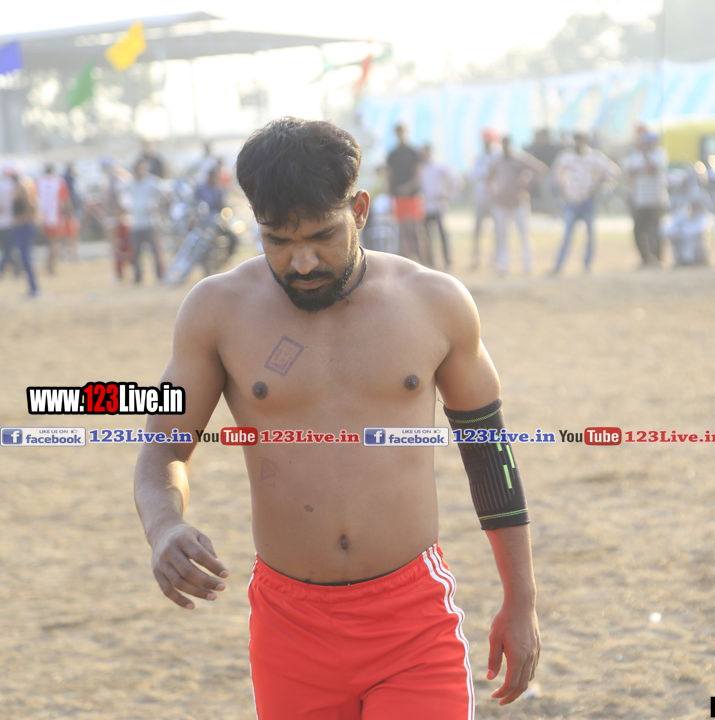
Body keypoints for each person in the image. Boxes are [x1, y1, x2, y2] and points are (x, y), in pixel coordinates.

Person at [133, 117, 539, 718]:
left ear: (361, 210)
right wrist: (165, 525)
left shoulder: (435, 302)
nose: (301, 262)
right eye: (276, 240)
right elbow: (162, 449)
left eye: (323, 235)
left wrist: (521, 601)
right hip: (289, 623)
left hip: (412, 617)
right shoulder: (216, 311)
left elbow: (489, 455)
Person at [550, 132, 620, 275]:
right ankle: (559, 265)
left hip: (588, 199)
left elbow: (613, 170)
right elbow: (556, 175)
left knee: (589, 235)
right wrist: (564, 189)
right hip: (571, 200)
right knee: (567, 235)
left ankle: (587, 265)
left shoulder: (594, 157)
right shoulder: (566, 157)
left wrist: (599, 183)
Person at [486, 136, 547, 276]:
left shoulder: (520, 159)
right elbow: (489, 178)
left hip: (518, 202)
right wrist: (492, 193)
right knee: (502, 235)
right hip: (501, 203)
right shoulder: (496, 161)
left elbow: (540, 169)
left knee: (524, 234)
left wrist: (529, 183)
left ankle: (527, 264)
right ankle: (503, 265)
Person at [622, 130, 668, 267]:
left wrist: (644, 155)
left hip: (656, 199)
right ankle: (646, 258)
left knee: (655, 230)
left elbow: (652, 170)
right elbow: (629, 174)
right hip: (640, 199)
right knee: (638, 231)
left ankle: (658, 258)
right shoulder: (634, 156)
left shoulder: (660, 154)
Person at [386, 123, 429, 266]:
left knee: (416, 230)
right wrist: (390, 194)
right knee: (402, 230)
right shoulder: (392, 154)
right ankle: (407, 263)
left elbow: (418, 175)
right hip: (398, 197)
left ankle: (423, 261)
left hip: (412, 196)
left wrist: (408, 187)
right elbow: (390, 175)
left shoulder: (413, 152)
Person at [0, 161, 39, 296]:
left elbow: (31, 206)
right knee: (20, 256)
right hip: (18, 225)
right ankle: (32, 288)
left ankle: (34, 289)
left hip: (24, 226)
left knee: (25, 257)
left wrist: (24, 220)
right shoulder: (18, 185)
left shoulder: (23, 185)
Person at [125, 159, 166, 284]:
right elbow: (122, 195)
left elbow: (165, 194)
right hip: (136, 223)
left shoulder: (152, 182)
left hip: (150, 223)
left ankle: (160, 276)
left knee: (156, 251)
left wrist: (158, 208)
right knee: (136, 253)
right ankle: (138, 277)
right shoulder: (131, 184)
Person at [419, 144, 458, 269]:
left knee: (442, 235)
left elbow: (456, 180)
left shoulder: (439, 166)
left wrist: (449, 195)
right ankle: (430, 262)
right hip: (424, 206)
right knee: (427, 236)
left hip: (438, 206)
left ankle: (447, 260)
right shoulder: (419, 168)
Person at [36, 163, 76, 274]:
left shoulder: (38, 182)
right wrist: (69, 216)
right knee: (53, 243)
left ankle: (48, 265)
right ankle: (50, 266)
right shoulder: (58, 182)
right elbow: (66, 200)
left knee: (49, 243)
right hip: (55, 216)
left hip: (40, 216)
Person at [470, 128, 500, 270]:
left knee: (497, 229)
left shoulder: (498, 155)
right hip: (481, 196)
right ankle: (476, 258)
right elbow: (474, 175)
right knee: (477, 229)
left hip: (494, 197)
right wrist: (486, 176)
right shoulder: (480, 156)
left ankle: (496, 259)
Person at [664, 192, 711, 267]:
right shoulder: (683, 214)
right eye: (692, 203)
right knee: (674, 236)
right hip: (683, 240)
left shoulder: (705, 216)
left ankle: (690, 261)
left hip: (698, 245)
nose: (694, 205)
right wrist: (677, 233)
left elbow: (700, 230)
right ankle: (680, 261)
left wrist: (683, 233)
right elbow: (670, 228)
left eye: (696, 203)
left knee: (691, 239)